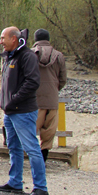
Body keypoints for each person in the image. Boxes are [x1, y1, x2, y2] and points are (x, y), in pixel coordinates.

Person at [0, 27, 48, 195]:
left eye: (3, 38)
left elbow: (33, 82)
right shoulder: (10, 55)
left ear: (14, 39)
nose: (1, 42)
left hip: (23, 111)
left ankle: (41, 188)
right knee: (13, 146)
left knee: (32, 148)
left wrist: (14, 100)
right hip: (10, 111)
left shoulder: (27, 56)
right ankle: (15, 182)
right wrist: (7, 104)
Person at [30, 29, 67, 163]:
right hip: (52, 99)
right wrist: (54, 90)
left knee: (30, 130)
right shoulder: (59, 56)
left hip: (33, 100)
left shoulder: (29, 55)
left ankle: (31, 159)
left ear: (35, 39)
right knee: (49, 131)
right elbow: (63, 79)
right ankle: (43, 158)